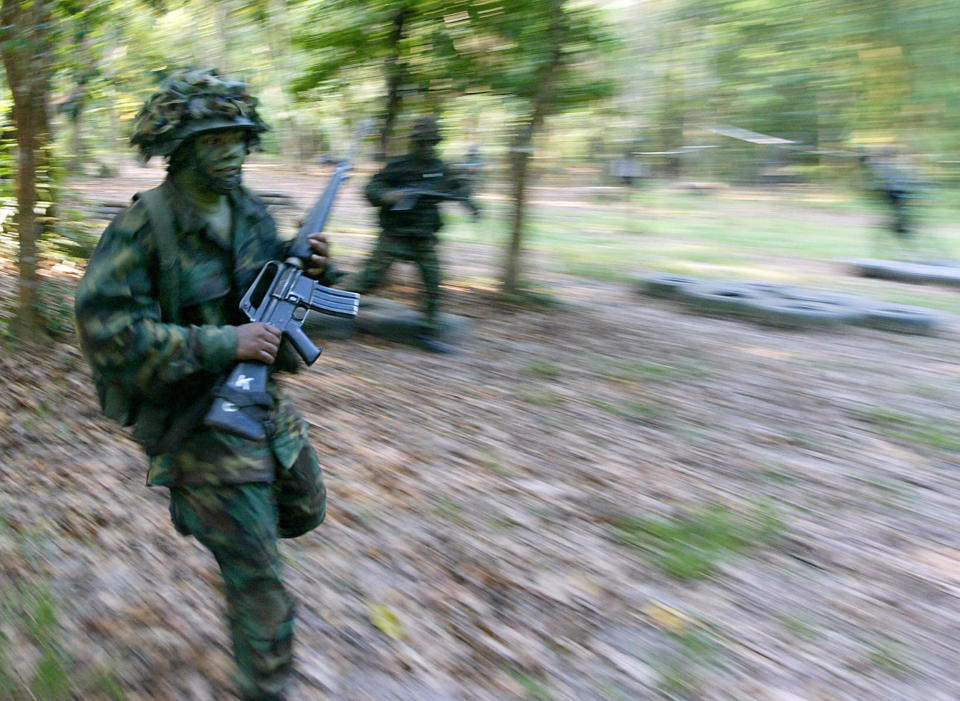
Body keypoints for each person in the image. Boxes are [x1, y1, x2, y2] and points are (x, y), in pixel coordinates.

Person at [74, 68, 339, 701]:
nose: (233, 152)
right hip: (193, 420)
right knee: (259, 575)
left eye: (240, 138)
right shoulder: (146, 228)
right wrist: (224, 343)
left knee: (305, 507)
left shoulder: (249, 212)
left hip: (259, 403)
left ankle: (231, 532)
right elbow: (109, 334)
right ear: (183, 145)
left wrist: (314, 269)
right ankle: (267, 685)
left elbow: (272, 290)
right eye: (215, 139)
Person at [350, 115, 476, 354]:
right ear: (414, 142)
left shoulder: (441, 169)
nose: (426, 147)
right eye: (422, 142)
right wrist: (389, 196)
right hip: (394, 237)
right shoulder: (398, 167)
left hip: (423, 239)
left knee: (433, 284)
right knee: (367, 280)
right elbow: (371, 188)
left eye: (430, 142)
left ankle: (427, 332)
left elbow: (457, 189)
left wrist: (470, 203)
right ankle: (326, 308)